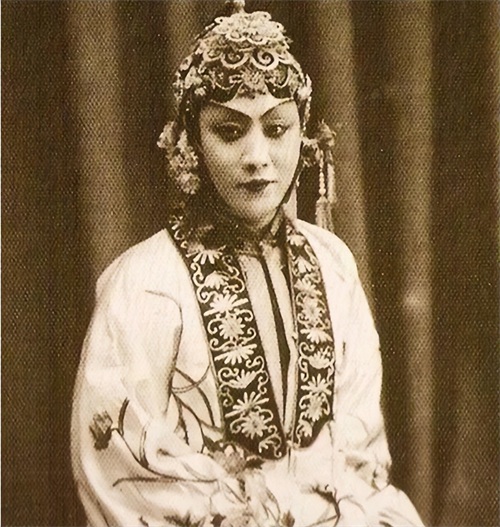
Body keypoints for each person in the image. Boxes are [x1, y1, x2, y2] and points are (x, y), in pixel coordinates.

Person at [71, 2, 425, 526]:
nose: (257, 157)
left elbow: (358, 450)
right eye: (231, 131)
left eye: (276, 129)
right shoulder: (144, 283)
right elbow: (122, 465)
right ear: (191, 143)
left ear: (304, 137)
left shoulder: (333, 265)